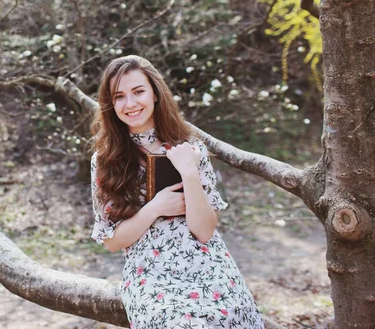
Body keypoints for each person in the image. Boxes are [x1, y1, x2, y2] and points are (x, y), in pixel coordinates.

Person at [90, 55, 264, 328]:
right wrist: (155, 208)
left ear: (155, 94)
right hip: (150, 273)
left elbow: (205, 231)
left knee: (229, 313)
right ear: (111, 104)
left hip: (206, 264)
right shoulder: (105, 161)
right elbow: (112, 242)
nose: (131, 103)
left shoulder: (190, 148)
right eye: (119, 96)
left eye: (138, 91)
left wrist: (189, 171)